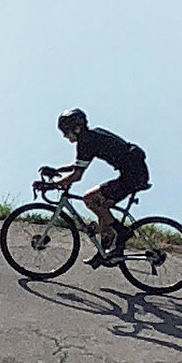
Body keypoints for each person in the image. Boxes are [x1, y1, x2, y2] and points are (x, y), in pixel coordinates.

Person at [54, 108, 148, 263]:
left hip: (132, 175)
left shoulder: (86, 143)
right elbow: (77, 166)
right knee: (100, 206)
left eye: (66, 132)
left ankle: (121, 232)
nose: (65, 136)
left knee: (89, 199)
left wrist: (53, 185)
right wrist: (57, 171)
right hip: (134, 172)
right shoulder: (92, 136)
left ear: (76, 129)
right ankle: (106, 250)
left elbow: (77, 175)